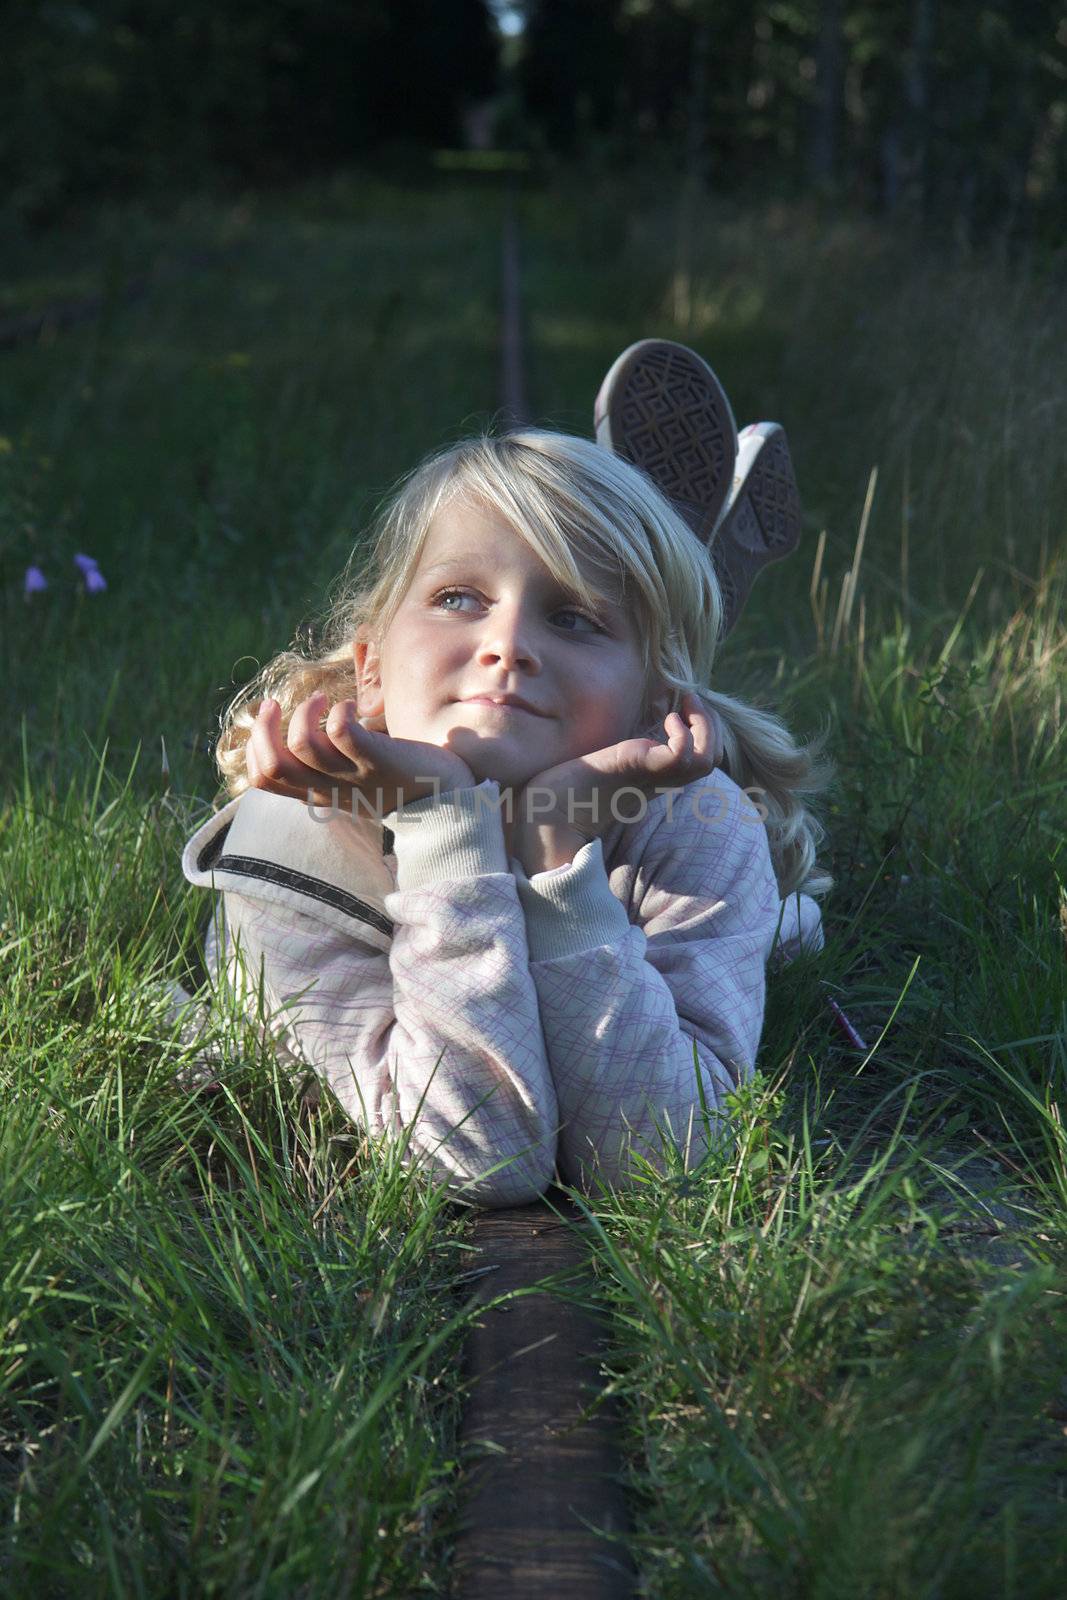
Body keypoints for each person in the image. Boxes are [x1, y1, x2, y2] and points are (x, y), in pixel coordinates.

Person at [177, 350, 832, 1209]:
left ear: (650, 706)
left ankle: (781, 914)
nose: (507, 644)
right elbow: (480, 1154)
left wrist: (559, 849)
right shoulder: (295, 845)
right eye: (457, 597)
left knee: (780, 914)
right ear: (369, 668)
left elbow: (660, 1154)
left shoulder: (694, 828)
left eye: (574, 617)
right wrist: (445, 831)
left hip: (655, 804)